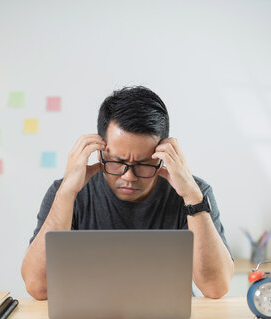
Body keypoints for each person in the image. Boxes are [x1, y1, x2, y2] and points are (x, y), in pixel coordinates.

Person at [21, 86, 234, 300]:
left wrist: (191, 197)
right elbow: (37, 287)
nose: (129, 176)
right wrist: (67, 192)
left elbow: (215, 287)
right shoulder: (66, 193)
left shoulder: (193, 193)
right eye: (118, 162)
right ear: (99, 152)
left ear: (162, 155)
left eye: (143, 164)